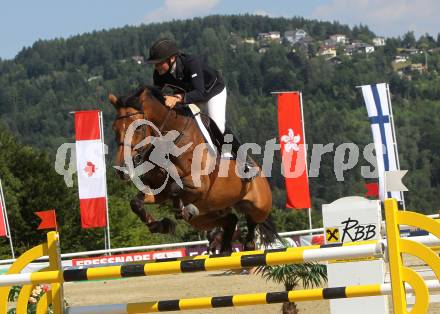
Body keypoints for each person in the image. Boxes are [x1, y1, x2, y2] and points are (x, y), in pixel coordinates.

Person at [147, 38, 258, 178]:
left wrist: (177, 98)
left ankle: (245, 161)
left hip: (211, 92)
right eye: (154, 64)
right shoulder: (159, 73)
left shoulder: (191, 63)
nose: (156, 67)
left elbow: (200, 93)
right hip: (187, 96)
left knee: (217, 125)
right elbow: (157, 96)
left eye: (158, 63)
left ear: (172, 59)